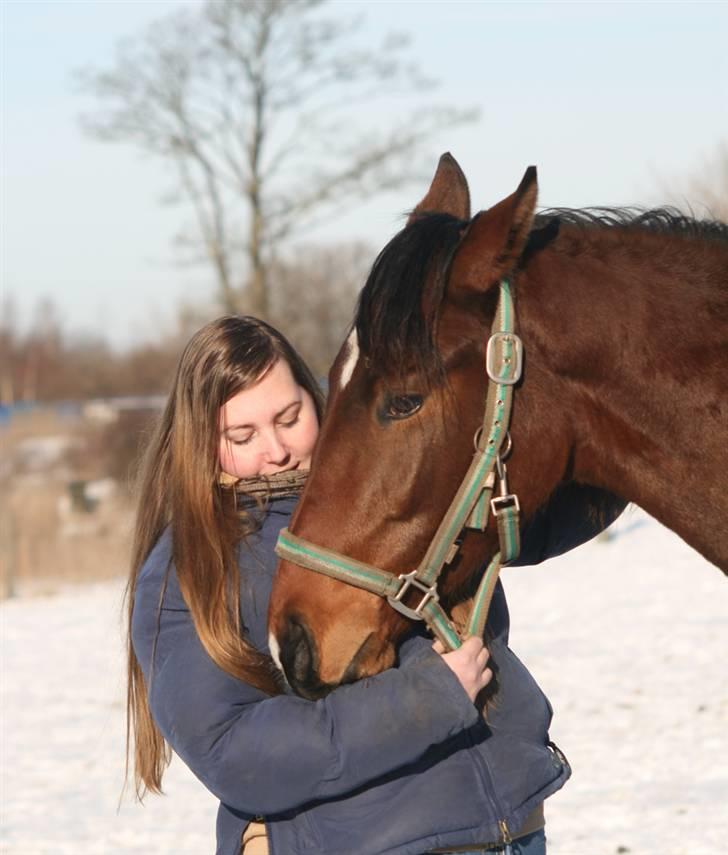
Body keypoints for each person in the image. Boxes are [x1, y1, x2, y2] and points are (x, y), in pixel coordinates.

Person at [128, 316, 624, 855]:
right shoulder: (191, 569)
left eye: (290, 418)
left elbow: (539, 517)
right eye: (241, 436)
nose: (274, 450)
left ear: (319, 398)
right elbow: (235, 751)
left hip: (514, 831)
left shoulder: (390, 484)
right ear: (200, 441)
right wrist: (428, 700)